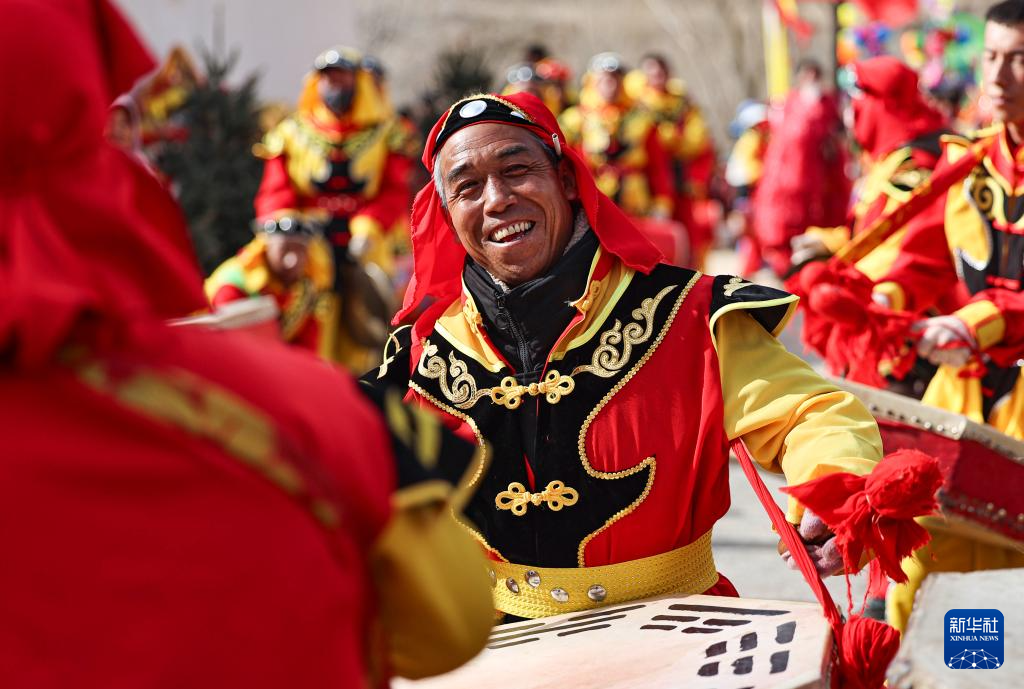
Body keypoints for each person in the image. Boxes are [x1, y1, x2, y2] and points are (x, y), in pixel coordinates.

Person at [0, 2, 494, 686]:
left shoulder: (379, 131)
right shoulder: (309, 416)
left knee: (373, 300)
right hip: (297, 264)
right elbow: (452, 625)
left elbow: (386, 192)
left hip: (349, 244)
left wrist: (361, 236)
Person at [364, 91, 885, 621]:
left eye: (516, 170)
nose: (496, 200)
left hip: (677, 631)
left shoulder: (691, 315)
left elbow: (810, 414)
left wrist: (835, 488)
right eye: (467, 187)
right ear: (447, 214)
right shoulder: (424, 353)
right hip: (497, 644)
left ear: (566, 180)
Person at [862, 1, 1024, 630]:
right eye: (991, 56)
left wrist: (973, 323)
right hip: (961, 394)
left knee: (1008, 576)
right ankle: (954, 669)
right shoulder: (969, 163)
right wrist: (885, 301)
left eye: (1018, 59)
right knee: (936, 563)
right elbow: (925, 257)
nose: (998, 76)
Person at [253, 45, 411, 370]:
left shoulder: (386, 133)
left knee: (364, 331)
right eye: (328, 79)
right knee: (310, 328)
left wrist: (368, 228)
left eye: (342, 78)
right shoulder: (291, 132)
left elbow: (394, 191)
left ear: (359, 82)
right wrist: (286, 233)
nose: (334, 86)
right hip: (309, 246)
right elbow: (275, 192)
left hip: (365, 245)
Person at [754, 59, 851, 277]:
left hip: (821, 185)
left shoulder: (829, 105)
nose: (811, 80)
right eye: (807, 75)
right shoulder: (787, 105)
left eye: (815, 75)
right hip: (789, 183)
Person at [632, 53, 718, 270]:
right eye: (651, 72)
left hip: (679, 177)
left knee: (690, 237)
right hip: (646, 181)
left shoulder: (682, 103)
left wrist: (673, 141)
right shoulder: (635, 104)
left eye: (660, 72)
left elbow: (700, 142)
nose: (656, 77)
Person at [204, 216, 335, 354]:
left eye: (300, 250)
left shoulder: (307, 288)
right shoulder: (235, 283)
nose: (292, 260)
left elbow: (307, 348)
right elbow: (232, 347)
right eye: (284, 249)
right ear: (266, 248)